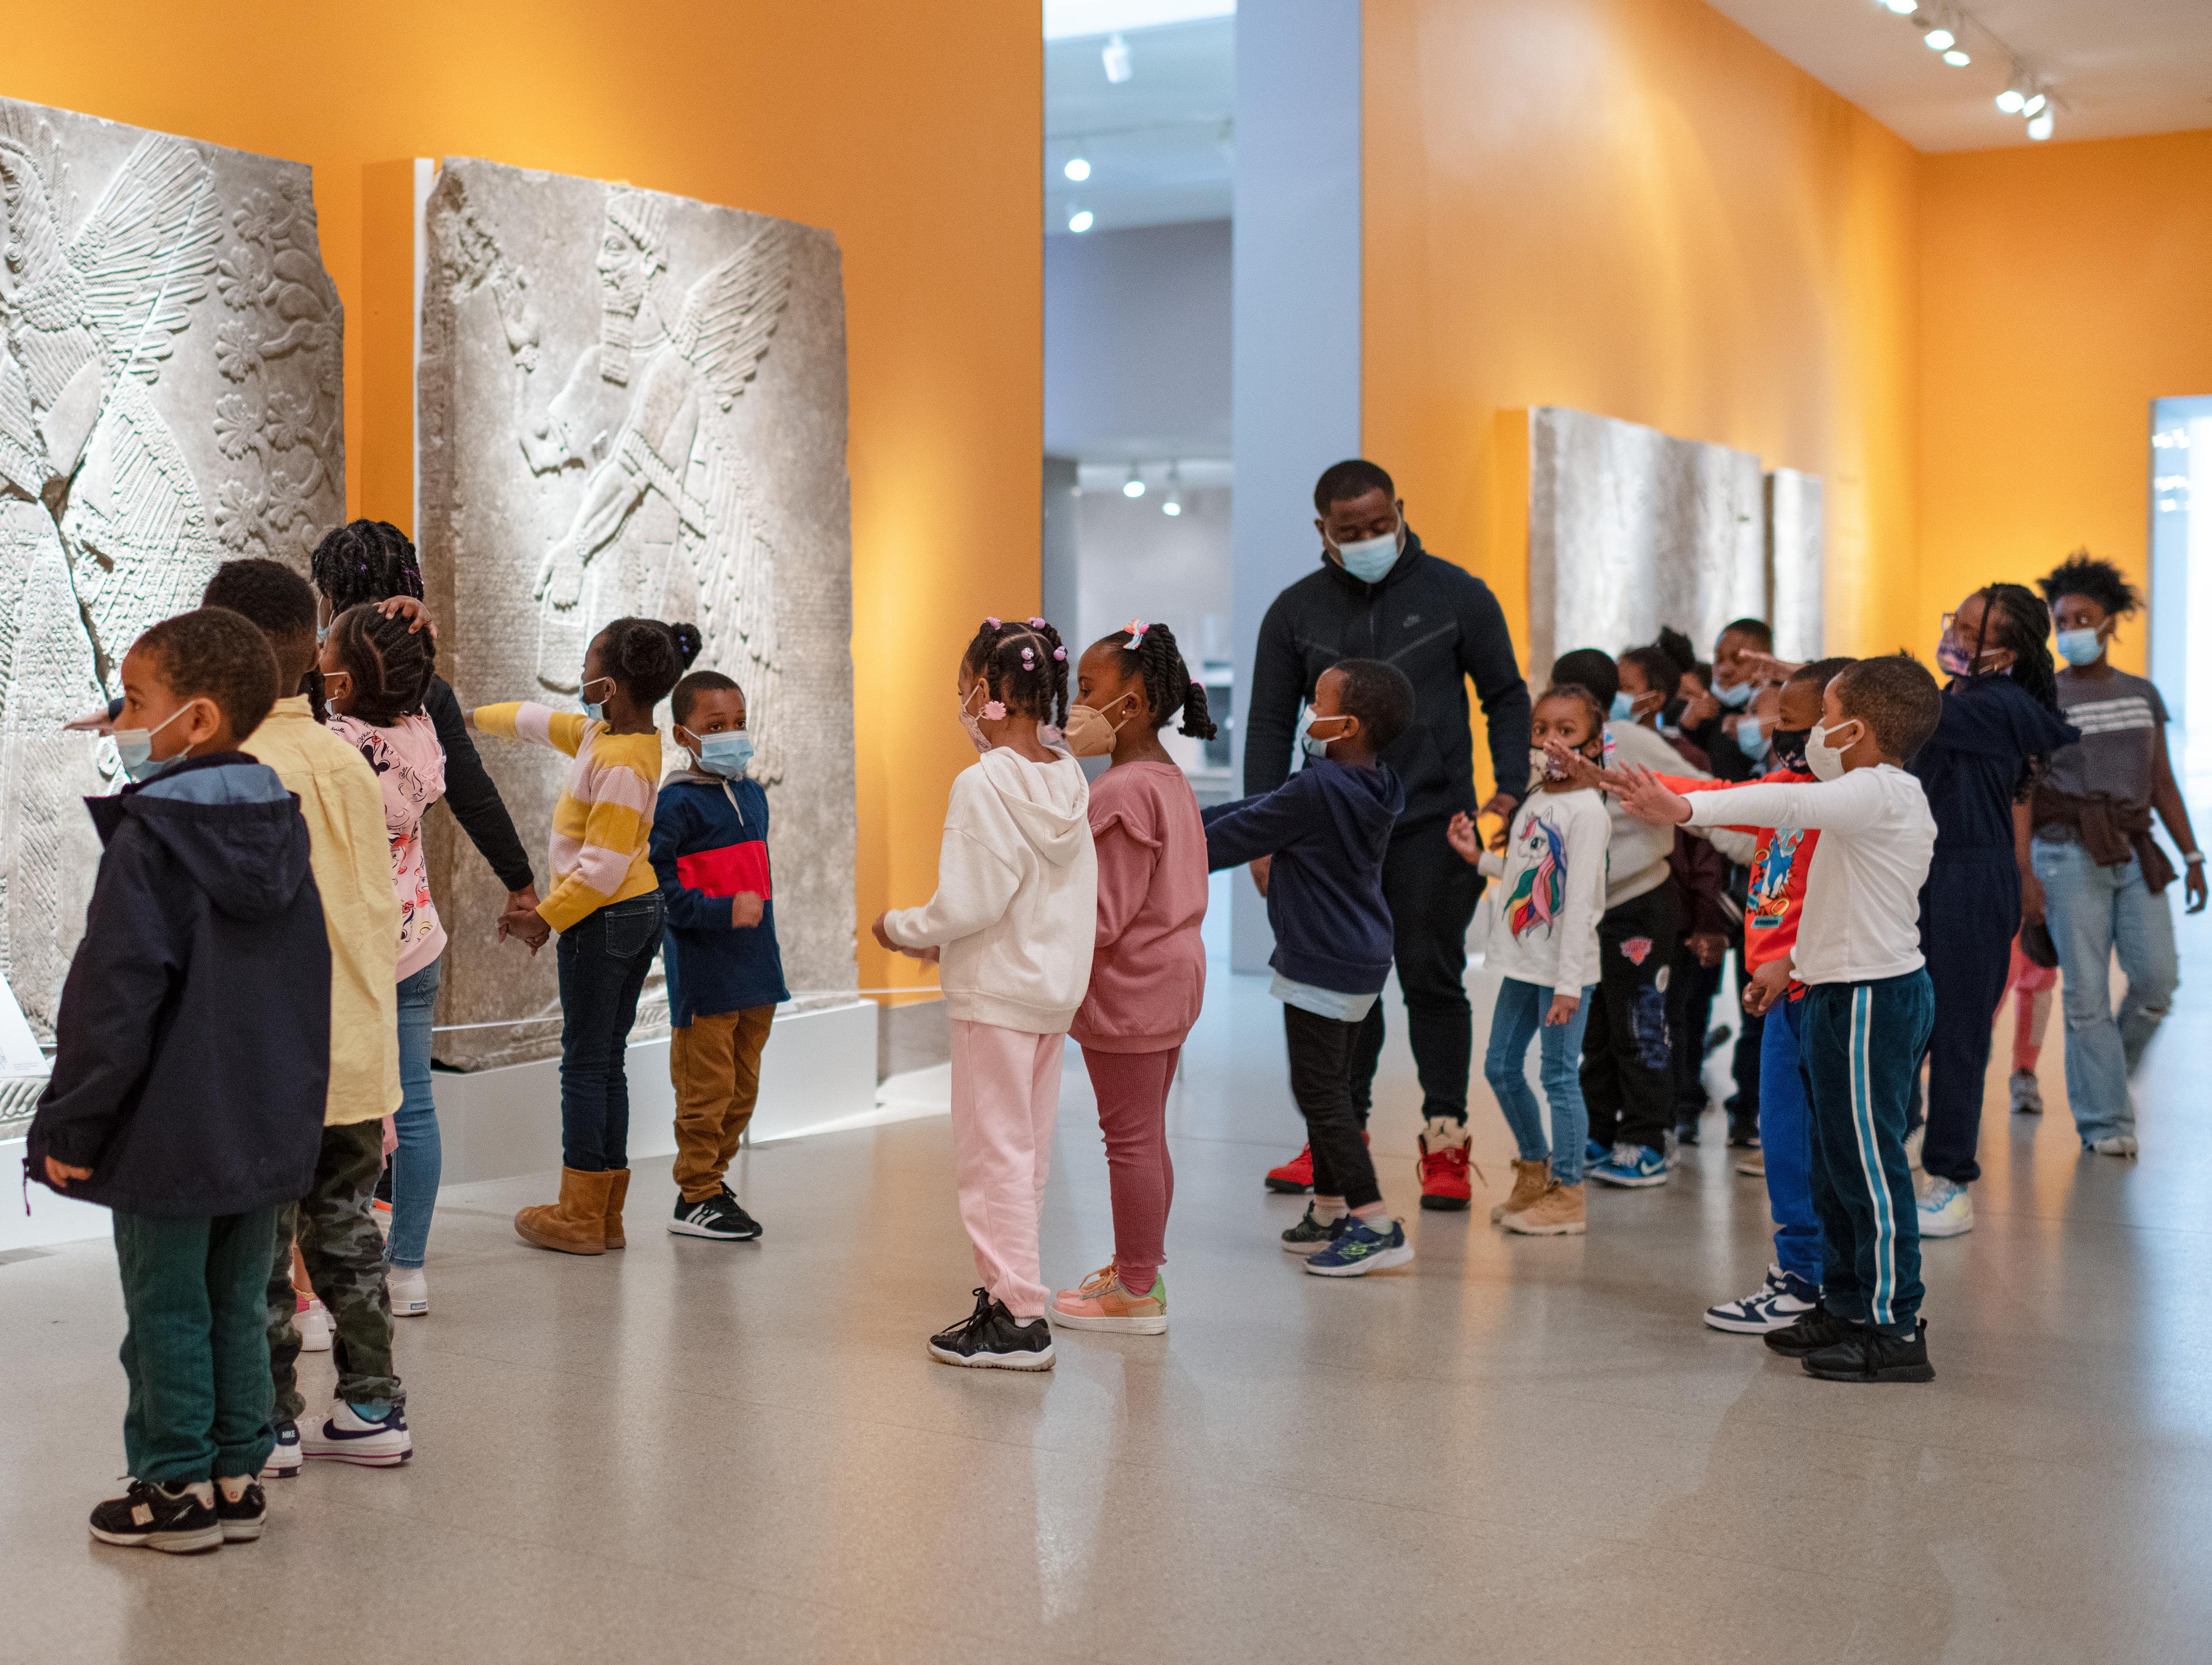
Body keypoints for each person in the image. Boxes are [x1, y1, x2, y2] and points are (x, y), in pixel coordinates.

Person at [29, 610, 328, 1553]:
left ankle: (172, 1491)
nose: (121, 720)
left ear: (193, 721)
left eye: (135, 701)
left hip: (167, 1129)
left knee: (164, 1311)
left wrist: (69, 1133)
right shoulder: (283, 827)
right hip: (264, 1130)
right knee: (240, 1303)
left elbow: (110, 1005)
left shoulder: (151, 841)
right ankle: (237, 1476)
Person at [1612, 655, 1944, 1383]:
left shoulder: (1882, 792)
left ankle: (1894, 1326)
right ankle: (1847, 1302)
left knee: (1870, 1167)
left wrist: (1684, 808)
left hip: (1870, 999)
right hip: (1829, 988)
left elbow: (1783, 805)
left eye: (1825, 717)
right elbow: (1836, 901)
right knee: (1833, 1164)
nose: (1815, 731)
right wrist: (1789, 965)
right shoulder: (1857, 794)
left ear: (1857, 729)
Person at [1245, 459, 1532, 1210]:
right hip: (1330, 830)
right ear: (1323, 532)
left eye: (1380, 524)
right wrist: (1261, 835)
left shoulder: (1459, 595)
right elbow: (1270, 724)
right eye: (1351, 531)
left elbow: (1505, 695)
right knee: (1336, 988)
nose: (1370, 538)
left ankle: (1445, 1138)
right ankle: (1340, 1137)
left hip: (1434, 823)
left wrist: (1508, 791)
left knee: (1431, 975)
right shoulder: (1294, 612)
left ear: (1400, 510)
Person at [199, 559, 409, 1475]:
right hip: (358, 1043)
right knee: (348, 1230)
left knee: (259, 1251)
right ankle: (373, 1406)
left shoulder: (233, 766)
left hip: (267, 1055)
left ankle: (271, 1417)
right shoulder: (343, 757)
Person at [1571, 657, 1855, 1330]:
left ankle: (1832, 1283)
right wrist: (1611, 778)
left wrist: (1791, 961)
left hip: (1825, 991)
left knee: (1829, 1145)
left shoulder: (1854, 803)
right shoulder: (1788, 787)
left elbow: (1851, 902)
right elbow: (1711, 795)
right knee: (1787, 1142)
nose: (1772, 734)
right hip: (1785, 992)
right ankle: (1803, 1276)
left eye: (1788, 723)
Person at [874, 617, 1096, 1369]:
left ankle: (1019, 1317)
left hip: (997, 994)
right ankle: (1012, 1297)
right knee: (1024, 1152)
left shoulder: (980, 785)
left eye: (966, 686)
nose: (962, 701)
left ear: (990, 692)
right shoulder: (1068, 776)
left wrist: (905, 925)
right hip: (1050, 994)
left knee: (991, 1154)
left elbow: (969, 903)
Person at [469, 618, 701, 1255]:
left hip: (609, 920)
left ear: (613, 684)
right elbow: (537, 720)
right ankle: (604, 1212)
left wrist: (545, 916)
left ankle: (579, 1213)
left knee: (585, 1061)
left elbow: (599, 870)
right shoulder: (607, 735)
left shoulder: (623, 761)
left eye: (589, 662)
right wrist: (466, 719)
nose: (579, 674)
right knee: (604, 1059)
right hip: (624, 916)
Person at [1204, 659, 1417, 1277]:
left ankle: (1374, 1221)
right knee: (1337, 1088)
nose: (1307, 709)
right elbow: (1263, 806)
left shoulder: (1318, 789)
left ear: (1346, 724)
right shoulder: (1372, 783)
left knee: (1320, 1094)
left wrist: (1161, 839)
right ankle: (1328, 1209)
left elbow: (1234, 837)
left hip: (1323, 959)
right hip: (1362, 955)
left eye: (1317, 700)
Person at [1051, 620, 1215, 1333]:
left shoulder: (1118, 792)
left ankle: (1138, 1289)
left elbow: (1104, 916)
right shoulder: (1167, 779)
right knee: (1147, 1132)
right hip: (1172, 983)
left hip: (1130, 992)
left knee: (1130, 1139)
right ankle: (1140, 1269)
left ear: (1137, 702)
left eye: (1088, 690)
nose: (1074, 708)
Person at [1909, 587, 2075, 1236]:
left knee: (1957, 1031)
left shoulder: (1999, 706)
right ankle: (1905, 1136)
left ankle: (1950, 1179)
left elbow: (1907, 713)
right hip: (1922, 871)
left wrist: (1839, 681)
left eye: (1974, 627)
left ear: (2005, 651)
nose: (1956, 629)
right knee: (1908, 1017)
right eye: (1959, 616)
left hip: (1971, 878)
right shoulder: (1958, 695)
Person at [2030, 553, 2204, 1156]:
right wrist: (2022, 871)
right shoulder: (2042, 697)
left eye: (2085, 617)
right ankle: (2105, 1122)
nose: (2072, 628)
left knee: (2158, 981)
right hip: (2065, 851)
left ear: (2110, 623)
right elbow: (2023, 789)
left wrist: (2192, 854)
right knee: (2085, 996)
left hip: (2134, 848)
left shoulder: (2141, 693)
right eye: (2063, 619)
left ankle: (2107, 1078)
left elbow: (2161, 781)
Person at [309, 521, 543, 928]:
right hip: (406, 928)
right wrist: (520, 883)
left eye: (324, 596)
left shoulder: (314, 683)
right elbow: (474, 795)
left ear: (333, 600)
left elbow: (472, 794)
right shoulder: (425, 695)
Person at [317, 604, 446, 1316]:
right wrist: (419, 635)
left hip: (361, 953)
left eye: (326, 643)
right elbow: (411, 676)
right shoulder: (418, 729)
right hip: (419, 938)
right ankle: (411, 1274)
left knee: (349, 1118)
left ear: (341, 684)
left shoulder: (337, 743)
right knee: (417, 1109)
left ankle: (338, 1272)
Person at [1446, 684, 1608, 1235]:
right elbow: (1525, 874)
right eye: (1541, 730)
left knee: (1559, 1078)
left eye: (1566, 731)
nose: (1550, 742)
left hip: (1564, 972)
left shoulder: (1587, 811)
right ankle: (1535, 1171)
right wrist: (1479, 858)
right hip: (1524, 963)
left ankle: (1569, 1193)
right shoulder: (1537, 801)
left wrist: (1568, 987)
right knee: (1500, 1067)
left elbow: (1581, 901)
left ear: (1594, 741)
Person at [1548, 649, 1705, 1188]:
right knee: (1594, 1027)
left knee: (1640, 1023)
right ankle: (1598, 1128)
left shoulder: (1630, 741)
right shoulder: (1549, 751)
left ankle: (1647, 1137)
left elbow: (1693, 791)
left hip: (1639, 901)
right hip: (1586, 911)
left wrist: (1749, 851)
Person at [649, 669, 789, 1241]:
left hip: (758, 974)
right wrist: (721, 911)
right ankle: (696, 1194)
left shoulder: (753, 796)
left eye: (739, 723)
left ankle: (714, 1182)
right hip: (706, 979)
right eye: (715, 726)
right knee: (706, 1091)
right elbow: (664, 892)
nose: (732, 735)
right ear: (684, 735)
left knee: (743, 1088)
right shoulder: (675, 805)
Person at [2001, 932, 2059, 1115]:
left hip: (2042, 910)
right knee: (1995, 977)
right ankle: (1972, 1063)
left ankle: (2025, 1070)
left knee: (2039, 974)